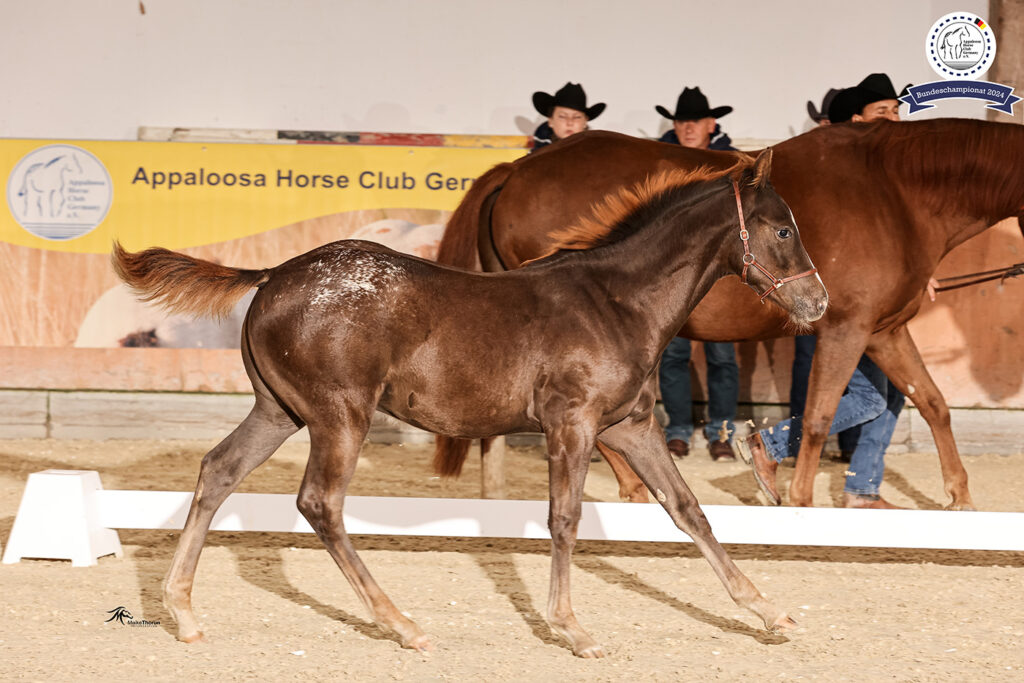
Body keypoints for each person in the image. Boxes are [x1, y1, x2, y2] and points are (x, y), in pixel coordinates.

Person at [740, 72, 916, 509]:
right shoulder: (841, 177)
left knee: (889, 394)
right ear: (857, 120)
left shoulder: (882, 178)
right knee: (874, 396)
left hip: (868, 304)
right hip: (844, 306)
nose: (894, 120)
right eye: (883, 113)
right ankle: (777, 447)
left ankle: (860, 487)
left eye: (897, 111)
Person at [653, 86, 740, 462]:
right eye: (682, 122)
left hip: (719, 273)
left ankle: (721, 430)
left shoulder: (732, 164)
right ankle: (678, 430)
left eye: (695, 122)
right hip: (673, 272)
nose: (688, 129)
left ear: (711, 124)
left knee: (721, 356)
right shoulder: (659, 162)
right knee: (673, 354)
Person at [530, 82, 605, 152]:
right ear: (551, 121)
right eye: (562, 116)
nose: (570, 122)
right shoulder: (531, 161)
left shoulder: (599, 154)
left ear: (585, 121)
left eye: (577, 117)